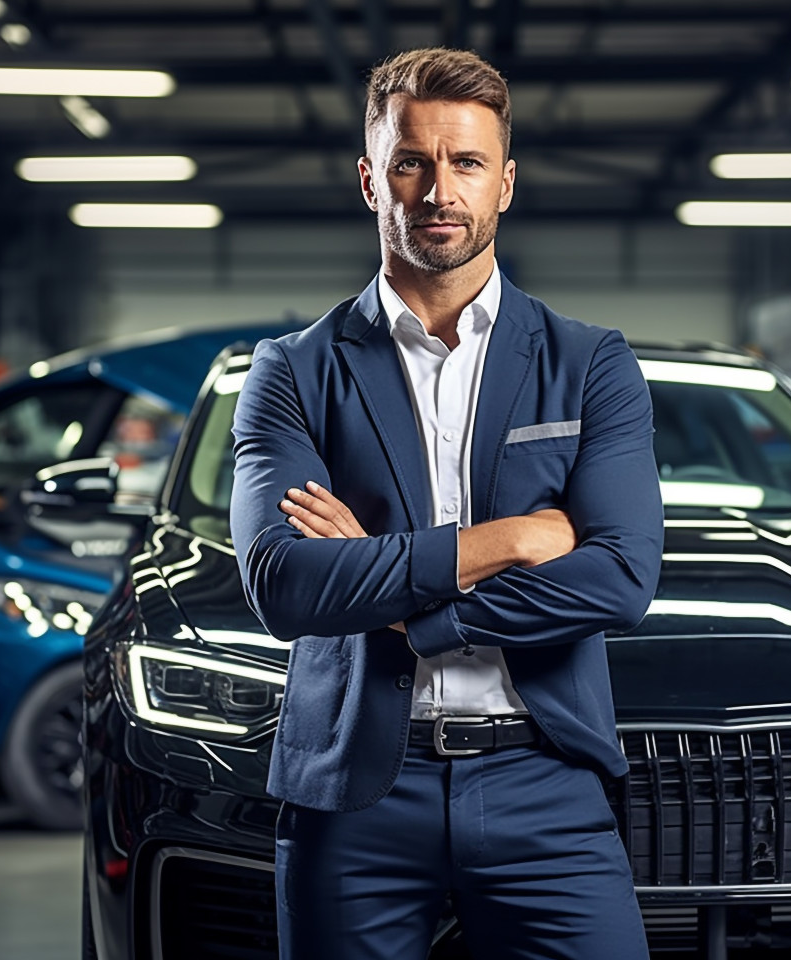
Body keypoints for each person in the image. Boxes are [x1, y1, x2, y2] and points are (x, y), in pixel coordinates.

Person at [231, 46, 663, 960]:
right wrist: (510, 538)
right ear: (369, 179)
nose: (438, 189)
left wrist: (396, 611)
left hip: (545, 783)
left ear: (505, 183)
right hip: (354, 797)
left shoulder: (590, 364)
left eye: (466, 162)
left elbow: (621, 579)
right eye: (411, 162)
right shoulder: (293, 373)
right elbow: (287, 583)